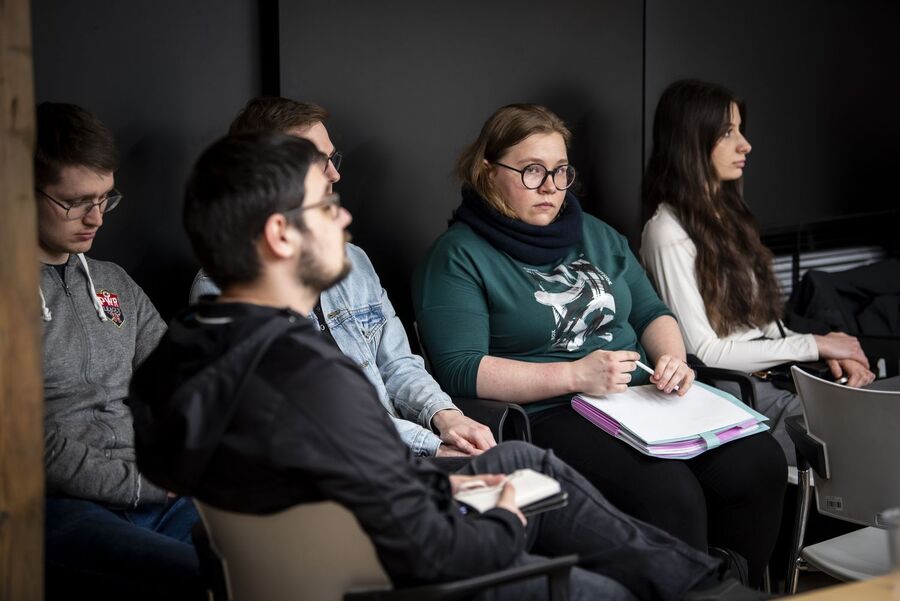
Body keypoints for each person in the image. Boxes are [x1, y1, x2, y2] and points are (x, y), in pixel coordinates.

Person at [129, 131, 766, 601]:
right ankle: (707, 591)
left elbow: (305, 481)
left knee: (523, 462)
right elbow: (430, 549)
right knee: (609, 589)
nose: (345, 215)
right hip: (388, 578)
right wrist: (499, 517)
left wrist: (445, 484)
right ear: (279, 235)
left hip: (340, 535)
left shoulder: (182, 350)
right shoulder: (312, 379)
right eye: (325, 206)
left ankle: (705, 585)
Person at [412, 103, 787, 587]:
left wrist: (673, 358)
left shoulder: (595, 233)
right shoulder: (459, 256)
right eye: (531, 172)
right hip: (552, 412)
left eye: (560, 171)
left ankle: (729, 588)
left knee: (760, 463)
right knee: (670, 495)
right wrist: (573, 375)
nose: (550, 186)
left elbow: (653, 313)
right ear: (488, 171)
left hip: (640, 397)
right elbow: (459, 370)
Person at [189, 97, 494, 459]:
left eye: (332, 158)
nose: (335, 174)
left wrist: (446, 417)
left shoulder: (352, 259)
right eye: (318, 162)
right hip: (323, 478)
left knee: (526, 469)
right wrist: (432, 447)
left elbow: (397, 363)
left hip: (396, 458)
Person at [639, 79, 899, 463]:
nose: (745, 145)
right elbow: (703, 352)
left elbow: (763, 332)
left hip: (781, 376)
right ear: (692, 141)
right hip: (742, 393)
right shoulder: (667, 231)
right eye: (728, 133)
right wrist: (815, 344)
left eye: (741, 130)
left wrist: (827, 357)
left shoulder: (730, 217)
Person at [35, 102, 201, 600]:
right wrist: (148, 483)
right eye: (76, 202)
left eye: (106, 199)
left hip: (160, 493)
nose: (96, 218)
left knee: (281, 555)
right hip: (61, 506)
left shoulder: (113, 282)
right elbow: (31, 447)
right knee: (210, 579)